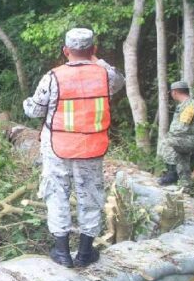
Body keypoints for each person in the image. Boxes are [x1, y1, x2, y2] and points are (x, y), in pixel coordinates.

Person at [23, 28, 125, 268]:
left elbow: (35, 110)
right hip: (92, 146)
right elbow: (119, 80)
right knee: (90, 194)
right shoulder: (105, 75)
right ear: (94, 50)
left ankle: (62, 253)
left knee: (57, 192)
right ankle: (85, 253)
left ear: (66, 51)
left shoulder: (53, 76)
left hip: (57, 145)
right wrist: (96, 60)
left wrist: (27, 103)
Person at [157, 81, 194, 186]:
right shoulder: (186, 105)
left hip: (187, 139)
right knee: (183, 162)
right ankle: (185, 185)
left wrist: (169, 136)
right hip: (185, 139)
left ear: (175, 92)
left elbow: (183, 127)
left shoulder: (190, 105)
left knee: (167, 143)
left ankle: (171, 174)